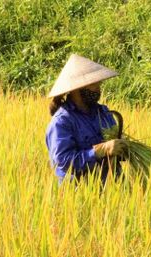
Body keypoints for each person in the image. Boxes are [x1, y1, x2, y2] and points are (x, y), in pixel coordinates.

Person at [45, 54, 127, 184]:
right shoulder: (62, 122)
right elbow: (64, 162)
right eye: (94, 85)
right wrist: (100, 150)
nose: (98, 89)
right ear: (78, 89)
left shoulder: (104, 113)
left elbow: (117, 152)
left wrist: (123, 146)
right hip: (79, 193)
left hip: (113, 188)